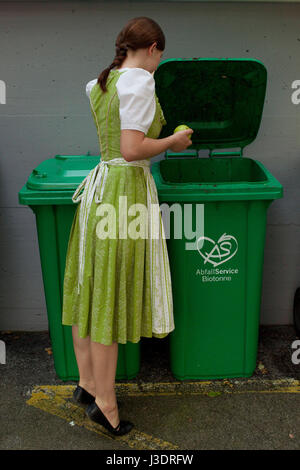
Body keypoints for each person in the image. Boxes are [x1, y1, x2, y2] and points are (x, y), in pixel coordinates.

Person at [62, 16, 193, 437]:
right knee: (108, 295)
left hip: (101, 187)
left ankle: (87, 383)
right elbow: (133, 149)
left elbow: (115, 147)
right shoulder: (139, 81)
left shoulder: (98, 84)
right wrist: (173, 142)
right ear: (153, 47)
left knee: (91, 286)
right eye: (160, 56)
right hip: (123, 193)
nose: (158, 63)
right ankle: (106, 402)